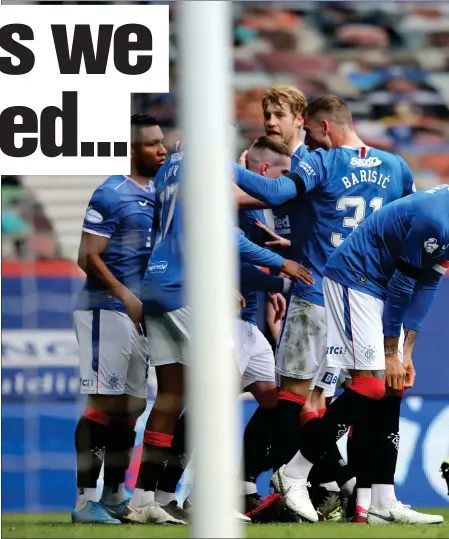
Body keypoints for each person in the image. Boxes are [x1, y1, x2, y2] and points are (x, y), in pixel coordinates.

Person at [235, 95, 415, 511]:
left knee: (295, 398)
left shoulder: (321, 161)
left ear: (321, 128)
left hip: (318, 290)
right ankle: (360, 494)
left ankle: (296, 486)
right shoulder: (395, 167)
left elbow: (278, 191)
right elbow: (408, 221)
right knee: (359, 395)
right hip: (369, 300)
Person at [122, 142, 314, 524]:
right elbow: (224, 236)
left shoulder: (167, 171)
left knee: (172, 397)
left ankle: (145, 499)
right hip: (189, 290)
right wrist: (281, 264)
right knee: (219, 391)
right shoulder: (203, 162)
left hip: (157, 285)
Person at [272, 184, 449, 525]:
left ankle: (383, 502)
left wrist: (406, 351)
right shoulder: (435, 220)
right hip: (356, 278)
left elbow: (428, 283)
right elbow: (403, 285)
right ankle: (293, 472)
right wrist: (389, 353)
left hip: (381, 286)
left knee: (393, 388)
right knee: (370, 386)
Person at [71, 114, 167, 524]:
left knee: (131, 407)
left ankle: (114, 495)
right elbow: (86, 255)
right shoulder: (110, 193)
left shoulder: (160, 193)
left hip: (140, 315)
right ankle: (84, 502)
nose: (161, 149)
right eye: (152, 144)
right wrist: (126, 296)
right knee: (103, 403)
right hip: (104, 310)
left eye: (162, 142)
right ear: (130, 149)